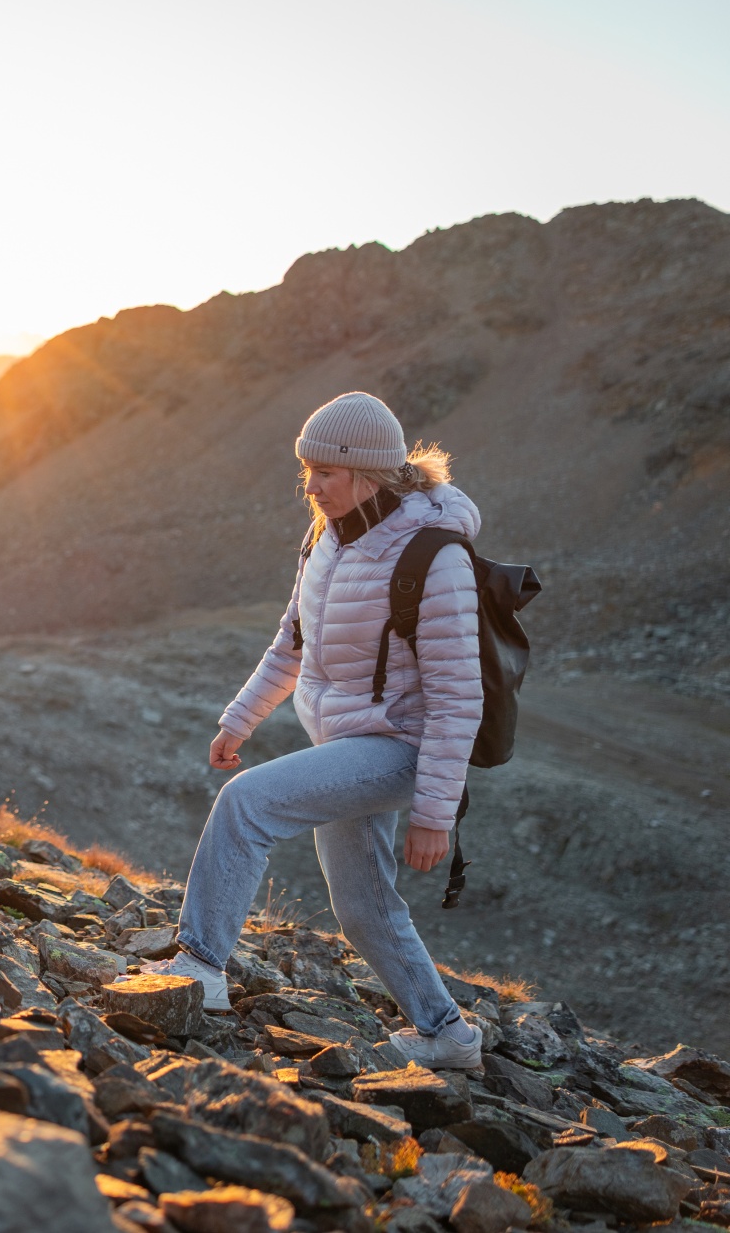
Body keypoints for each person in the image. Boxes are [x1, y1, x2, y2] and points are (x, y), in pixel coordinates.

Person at [146, 391, 486, 1068]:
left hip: (404, 749)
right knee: (361, 908)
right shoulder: (325, 540)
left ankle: (199, 967)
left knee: (247, 802)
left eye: (325, 472)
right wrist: (238, 719)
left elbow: (456, 699)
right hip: (346, 743)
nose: (312, 486)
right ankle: (446, 1034)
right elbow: (291, 644)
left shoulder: (433, 557)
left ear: (367, 472)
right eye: (307, 469)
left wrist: (434, 812)